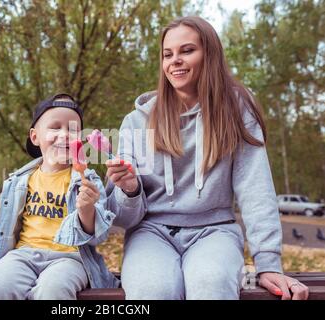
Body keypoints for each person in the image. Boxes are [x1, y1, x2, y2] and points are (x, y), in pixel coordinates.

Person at [105, 16, 309, 300]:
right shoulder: (136, 122)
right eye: (167, 54)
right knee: (153, 290)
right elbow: (123, 218)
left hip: (216, 232)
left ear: (210, 55)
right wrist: (129, 190)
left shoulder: (236, 109)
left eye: (187, 50)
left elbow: (255, 189)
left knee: (210, 284)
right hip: (150, 234)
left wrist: (268, 263)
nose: (175, 60)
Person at [0, 93, 119, 300]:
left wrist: (86, 209)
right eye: (55, 127)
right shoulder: (19, 181)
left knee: (52, 292)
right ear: (35, 136)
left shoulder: (88, 180)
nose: (65, 134)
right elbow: (9, 231)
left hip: (71, 258)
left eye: (73, 130)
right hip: (23, 255)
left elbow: (97, 235)